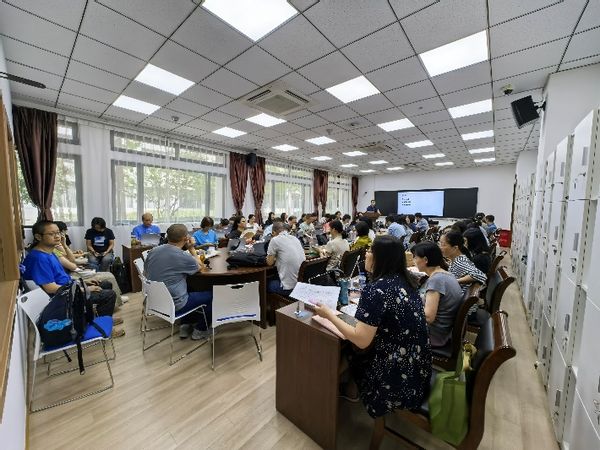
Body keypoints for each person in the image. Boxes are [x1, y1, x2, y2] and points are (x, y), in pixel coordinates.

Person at [314, 235, 431, 417]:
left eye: (369, 251)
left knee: (351, 349)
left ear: (379, 257)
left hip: (398, 380)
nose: (366, 254)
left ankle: (346, 392)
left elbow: (361, 340)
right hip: (418, 368)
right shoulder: (408, 280)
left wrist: (328, 314)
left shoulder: (377, 289)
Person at [23, 221, 124, 337]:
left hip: (68, 289)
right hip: (61, 298)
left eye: (58, 233)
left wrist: (83, 282)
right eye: (51, 234)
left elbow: (62, 277)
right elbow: (50, 288)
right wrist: (83, 289)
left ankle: (102, 319)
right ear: (38, 237)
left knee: (106, 284)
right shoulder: (39, 259)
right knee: (109, 295)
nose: (57, 236)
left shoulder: (50, 252)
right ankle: (103, 330)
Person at [145, 224, 212, 340]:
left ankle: (185, 324)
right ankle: (200, 330)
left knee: (191, 287)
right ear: (185, 238)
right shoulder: (182, 256)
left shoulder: (153, 251)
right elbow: (201, 267)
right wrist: (191, 249)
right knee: (213, 294)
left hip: (155, 301)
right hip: (176, 305)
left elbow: (146, 271)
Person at [54, 221, 128, 306]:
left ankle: (113, 295)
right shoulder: (54, 249)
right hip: (88, 256)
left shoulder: (108, 231)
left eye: (59, 233)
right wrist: (92, 252)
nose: (59, 236)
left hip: (106, 252)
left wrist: (106, 252)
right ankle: (108, 290)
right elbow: (74, 259)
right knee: (93, 262)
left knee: (106, 259)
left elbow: (111, 244)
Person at [412, 241, 463, 347]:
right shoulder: (445, 274)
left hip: (433, 335)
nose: (414, 260)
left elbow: (428, 317)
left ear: (425, 260)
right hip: (443, 330)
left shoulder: (436, 280)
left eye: (415, 257)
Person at [266, 221, 306, 295]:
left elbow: (269, 262)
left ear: (273, 232)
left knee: (265, 282)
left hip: (289, 289)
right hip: (301, 285)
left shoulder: (275, 240)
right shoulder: (295, 238)